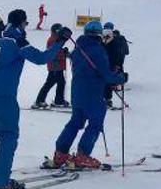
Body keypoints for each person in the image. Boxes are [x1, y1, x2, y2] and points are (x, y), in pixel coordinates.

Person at [0, 9, 69, 189]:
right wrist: (60, 42)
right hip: (4, 94)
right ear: (21, 23)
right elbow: (41, 58)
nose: (26, 26)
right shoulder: (18, 41)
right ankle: (0, 183)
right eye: (25, 23)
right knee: (9, 136)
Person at [51, 21, 125, 169]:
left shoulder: (78, 49)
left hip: (77, 93)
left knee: (75, 122)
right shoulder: (98, 50)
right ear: (99, 34)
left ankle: (61, 152)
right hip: (93, 94)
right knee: (95, 123)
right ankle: (83, 155)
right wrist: (121, 78)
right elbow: (105, 75)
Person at [34, 24, 70, 108]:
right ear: (56, 31)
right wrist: (64, 54)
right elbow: (54, 53)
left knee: (53, 83)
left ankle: (43, 100)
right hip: (55, 65)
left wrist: (63, 51)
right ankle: (57, 100)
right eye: (60, 31)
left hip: (57, 65)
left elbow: (58, 50)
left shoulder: (56, 39)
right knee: (58, 82)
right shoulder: (52, 40)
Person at [102, 26, 129, 108]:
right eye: (104, 37)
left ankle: (107, 100)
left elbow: (119, 55)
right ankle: (100, 99)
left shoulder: (115, 44)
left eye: (107, 37)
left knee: (108, 83)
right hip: (102, 65)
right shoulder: (101, 43)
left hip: (111, 65)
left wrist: (117, 66)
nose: (105, 39)